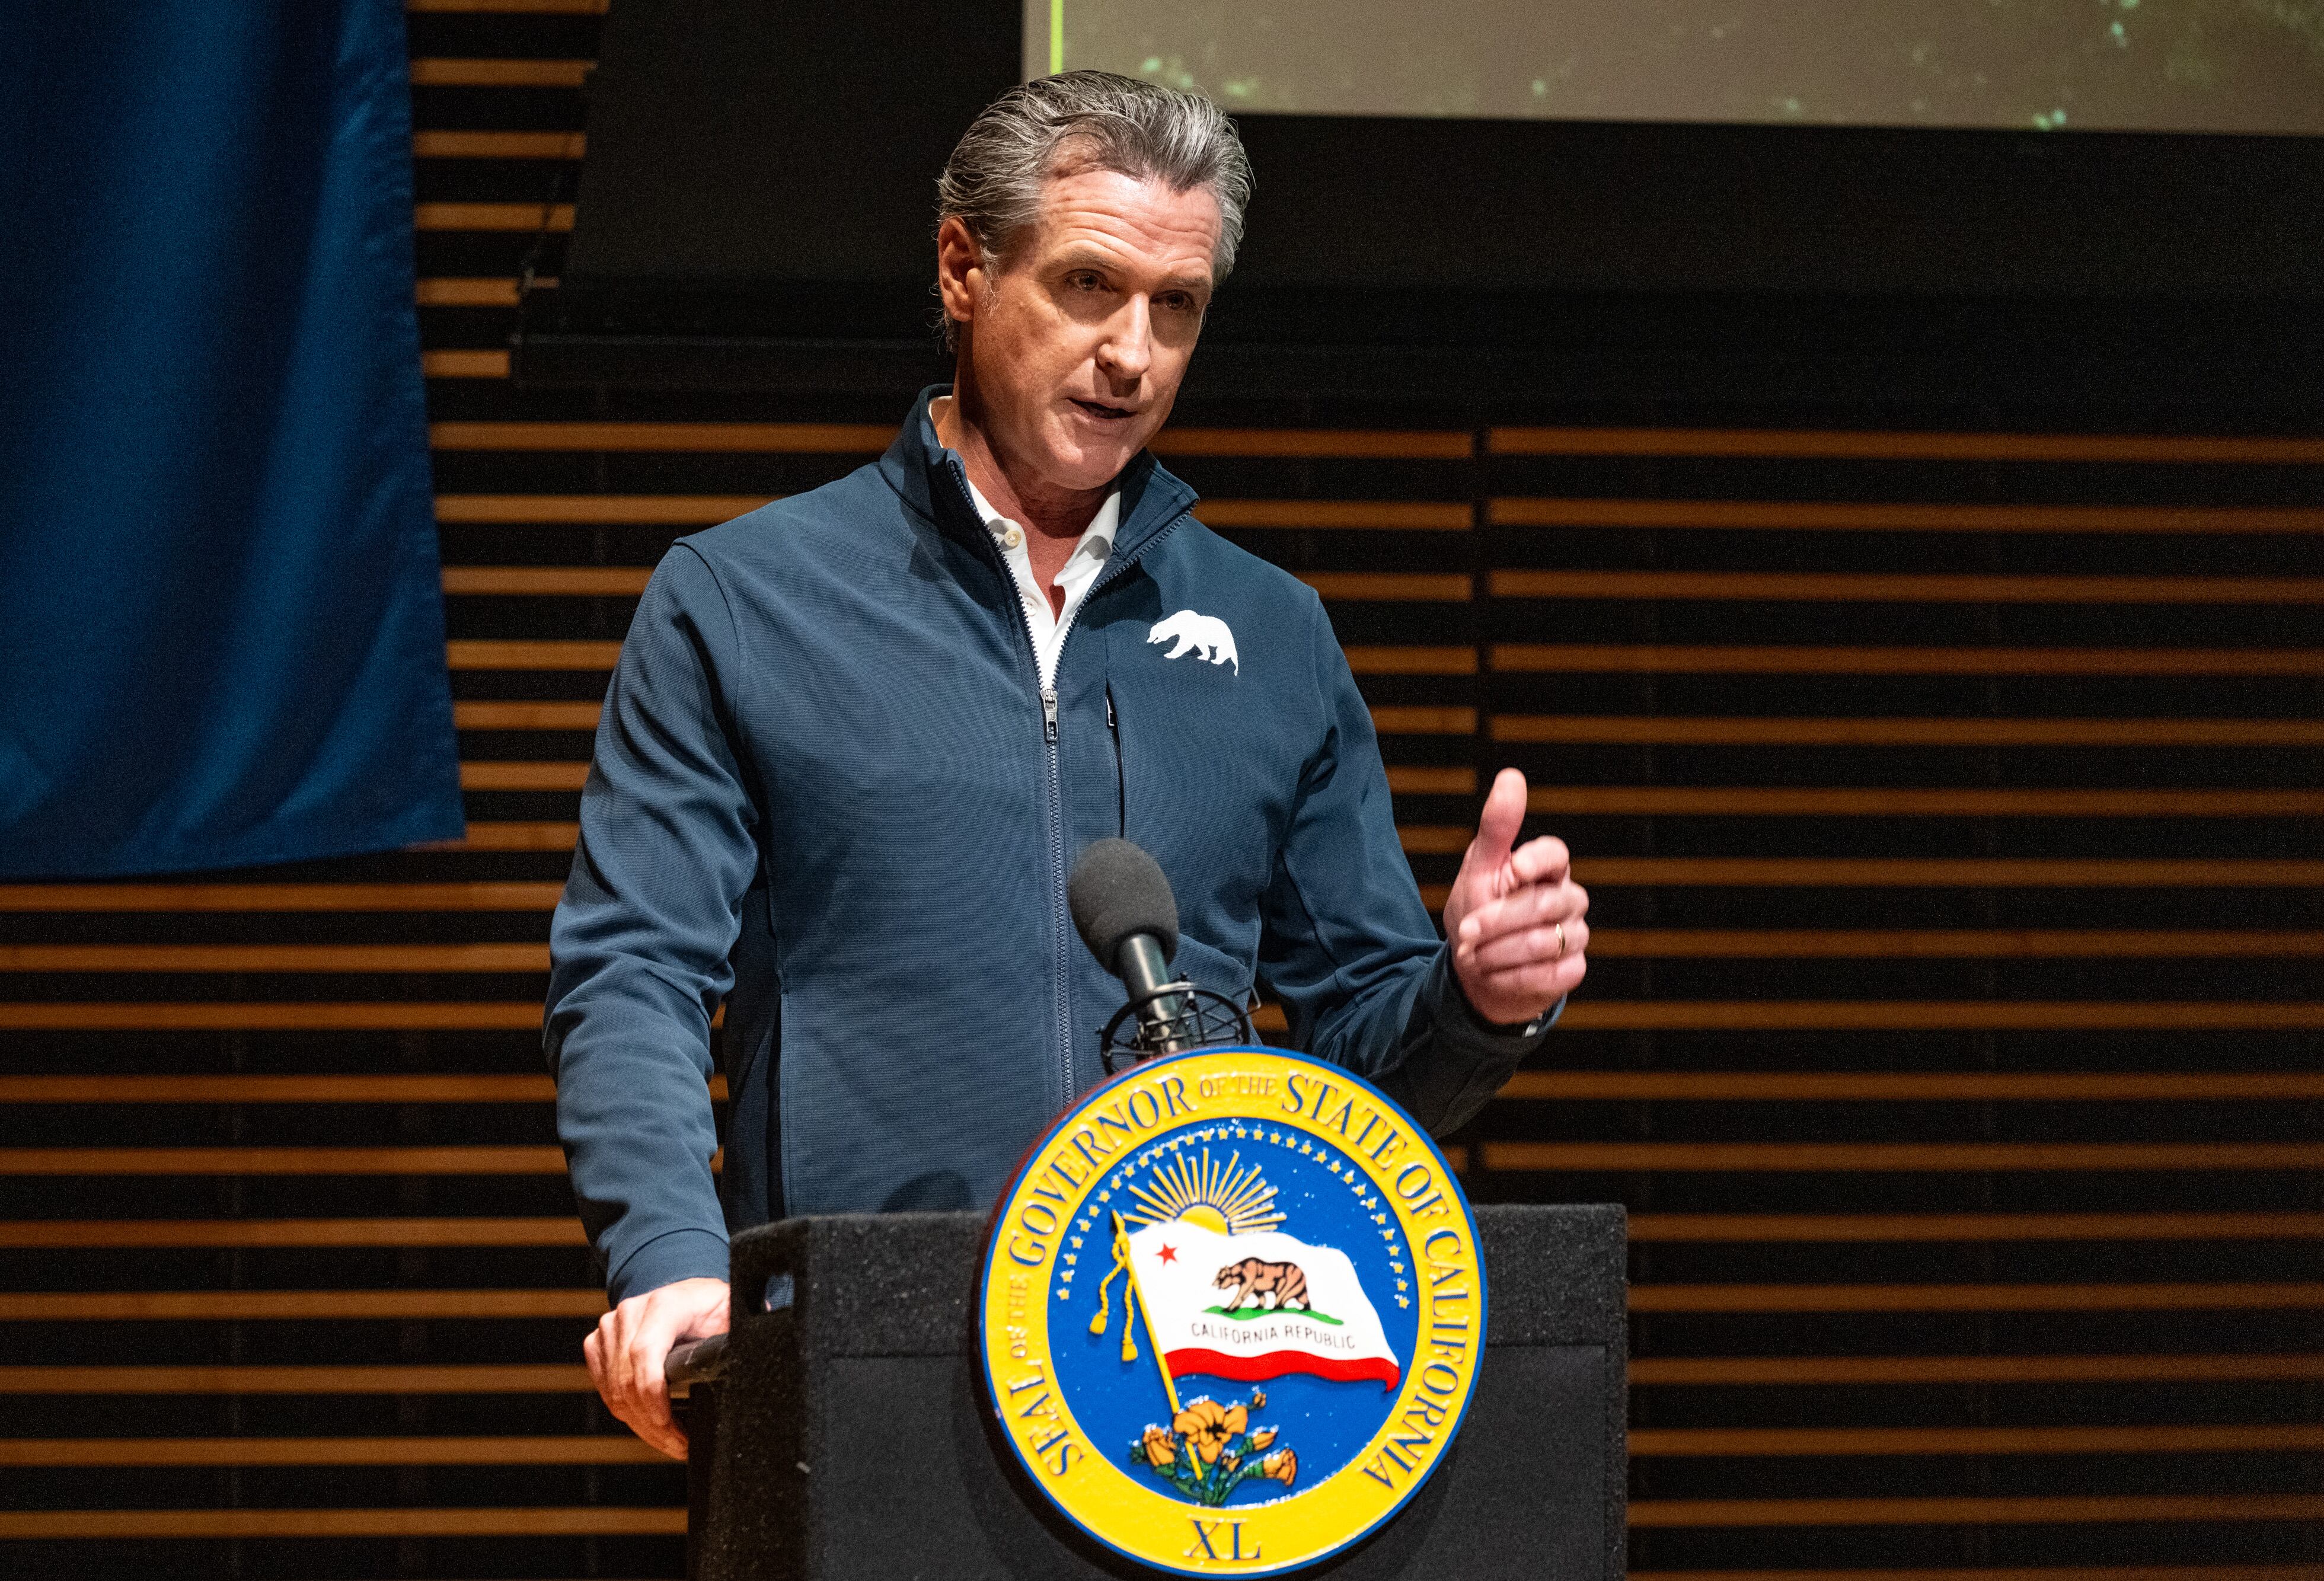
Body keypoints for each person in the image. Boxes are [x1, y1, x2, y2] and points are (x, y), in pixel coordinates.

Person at [545, 71, 1591, 1459]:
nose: (1132, 354)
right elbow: (633, 973)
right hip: (865, 1365)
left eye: (1177, 306)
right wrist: (672, 1259)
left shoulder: (1271, 631)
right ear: (962, 269)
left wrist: (1474, 996)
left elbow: (1360, 1069)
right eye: (1089, 285)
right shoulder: (744, 601)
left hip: (1202, 1396)